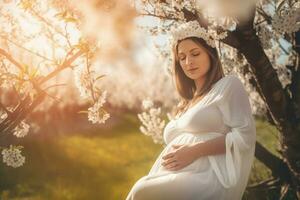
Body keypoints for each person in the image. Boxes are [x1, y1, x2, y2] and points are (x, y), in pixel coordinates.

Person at [126, 20, 256, 200]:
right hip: (174, 176)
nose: (188, 62)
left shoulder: (228, 85)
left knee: (141, 192)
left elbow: (245, 136)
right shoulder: (186, 103)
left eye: (195, 54)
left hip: (209, 178)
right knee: (140, 187)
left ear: (210, 54)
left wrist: (194, 151)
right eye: (182, 57)